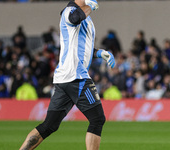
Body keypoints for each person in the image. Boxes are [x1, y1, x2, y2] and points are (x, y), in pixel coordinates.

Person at [19, 0, 115, 149]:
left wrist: (99, 53)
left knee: (49, 126)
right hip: (77, 76)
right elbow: (75, 18)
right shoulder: (69, 11)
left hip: (65, 78)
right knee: (97, 119)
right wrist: (91, 6)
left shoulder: (85, 18)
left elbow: (81, 46)